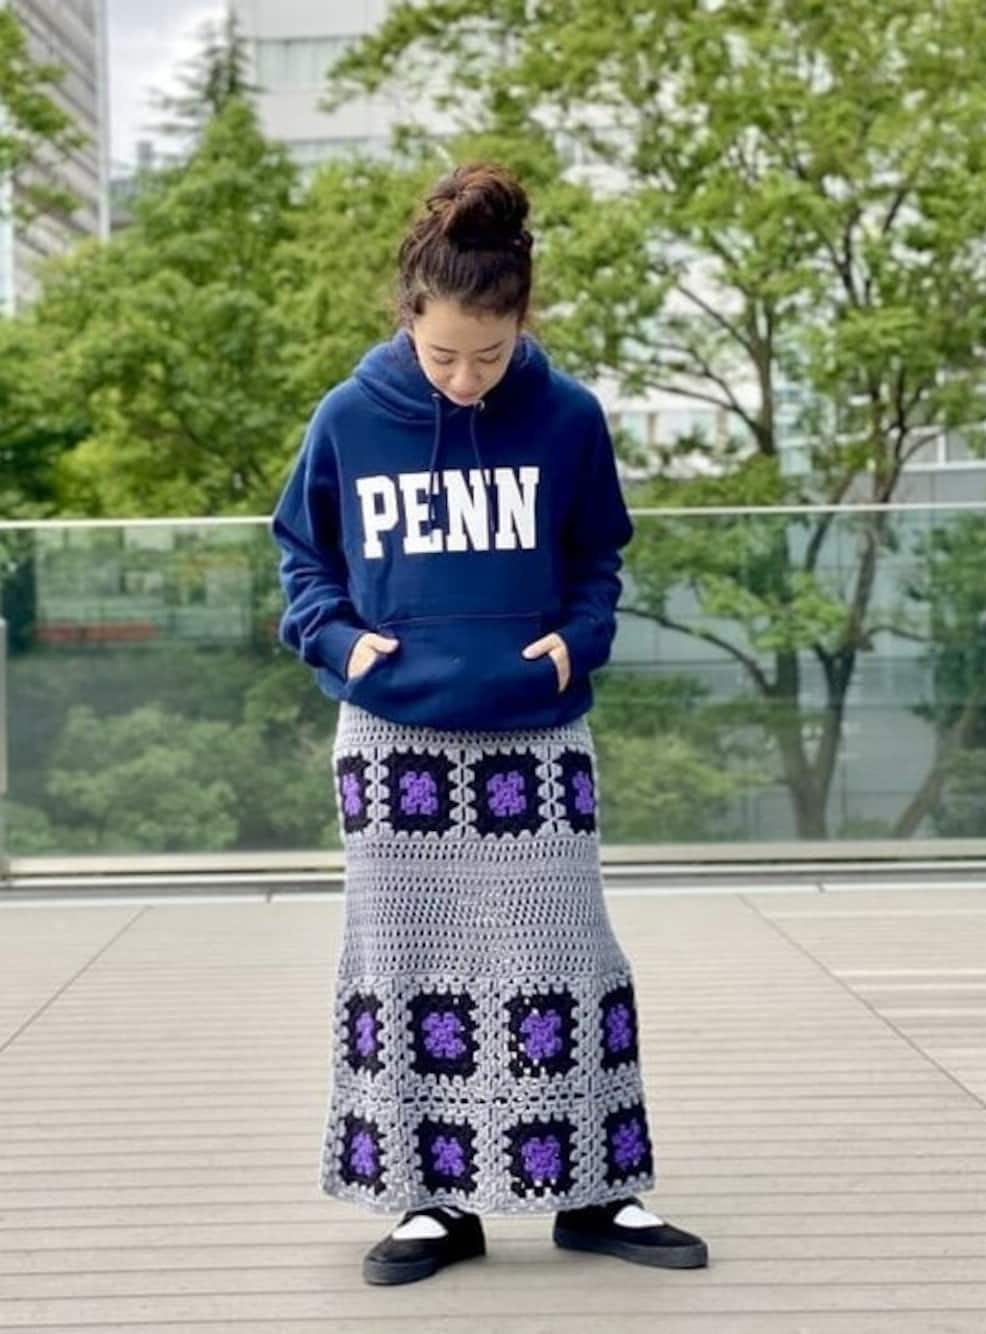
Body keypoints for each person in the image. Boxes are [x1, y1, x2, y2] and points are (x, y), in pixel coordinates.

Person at [270, 160, 709, 1285]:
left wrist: (579, 637)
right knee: (404, 958)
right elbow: (302, 556)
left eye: (491, 355)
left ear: (522, 323)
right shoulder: (348, 418)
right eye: (442, 357)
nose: (466, 379)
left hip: (536, 726)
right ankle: (430, 1200)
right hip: (393, 736)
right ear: (408, 318)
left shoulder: (567, 416)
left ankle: (593, 1188)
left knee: (562, 947)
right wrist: (338, 641)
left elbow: (597, 555)